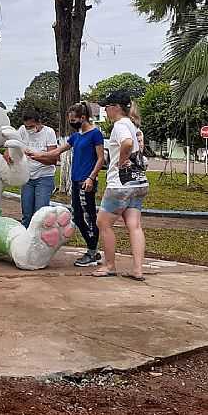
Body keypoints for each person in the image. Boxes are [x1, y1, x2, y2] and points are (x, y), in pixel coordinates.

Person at [27, 101, 105, 267]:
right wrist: (36, 155)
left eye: (73, 119)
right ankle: (93, 250)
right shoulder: (76, 137)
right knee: (77, 216)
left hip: (86, 182)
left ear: (83, 118)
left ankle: (92, 252)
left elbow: (100, 159)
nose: (71, 122)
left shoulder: (95, 134)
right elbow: (57, 152)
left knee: (88, 216)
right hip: (76, 181)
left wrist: (91, 177)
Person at [92, 89, 148, 280]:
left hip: (120, 184)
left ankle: (109, 265)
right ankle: (138, 270)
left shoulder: (120, 125)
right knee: (135, 225)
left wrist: (122, 160)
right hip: (138, 182)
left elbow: (126, 143)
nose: (105, 111)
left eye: (106, 107)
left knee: (103, 223)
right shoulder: (132, 124)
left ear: (115, 108)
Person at [16, 110, 58, 227]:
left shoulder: (49, 132)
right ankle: (25, 239)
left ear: (39, 123)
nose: (29, 129)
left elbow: (53, 160)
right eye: (26, 126)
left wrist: (36, 157)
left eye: (32, 126)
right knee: (27, 213)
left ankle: (41, 240)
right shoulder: (22, 130)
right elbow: (13, 145)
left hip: (44, 177)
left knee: (40, 214)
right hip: (27, 177)